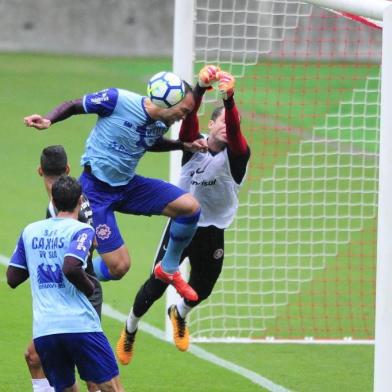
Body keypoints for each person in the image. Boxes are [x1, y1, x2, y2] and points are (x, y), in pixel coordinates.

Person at [23, 74, 208, 302]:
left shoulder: (161, 123)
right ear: (169, 100)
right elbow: (74, 105)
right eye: (185, 110)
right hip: (95, 192)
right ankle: (73, 272)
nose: (184, 117)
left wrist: (181, 145)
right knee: (119, 267)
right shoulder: (117, 99)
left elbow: (147, 141)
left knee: (190, 207)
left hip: (128, 186)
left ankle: (168, 267)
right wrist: (49, 120)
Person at [116, 68, 251, 365]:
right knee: (156, 283)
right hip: (182, 224)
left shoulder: (238, 156)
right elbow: (188, 126)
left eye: (231, 123)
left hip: (213, 230)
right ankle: (130, 330)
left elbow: (237, 133)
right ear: (211, 124)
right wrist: (201, 88)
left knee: (202, 289)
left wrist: (229, 100)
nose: (227, 127)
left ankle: (179, 314)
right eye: (222, 122)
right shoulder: (194, 145)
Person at [7, 175, 123, 391]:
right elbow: (71, 267)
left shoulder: (30, 231)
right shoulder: (82, 230)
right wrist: (90, 287)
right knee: (110, 386)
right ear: (80, 201)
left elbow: (12, 278)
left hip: (45, 330)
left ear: (53, 202)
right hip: (80, 324)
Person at [24, 145, 103, 392]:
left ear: (39, 170)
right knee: (35, 357)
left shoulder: (70, 203)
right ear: (68, 168)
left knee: (93, 375)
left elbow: (85, 249)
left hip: (78, 290)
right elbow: (95, 242)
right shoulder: (72, 201)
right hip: (63, 290)